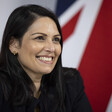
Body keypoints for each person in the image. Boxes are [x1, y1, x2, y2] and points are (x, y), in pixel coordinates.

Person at [0, 4, 93, 112]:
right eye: (40, 38)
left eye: (56, 39)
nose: (51, 48)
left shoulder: (71, 83)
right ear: (13, 45)